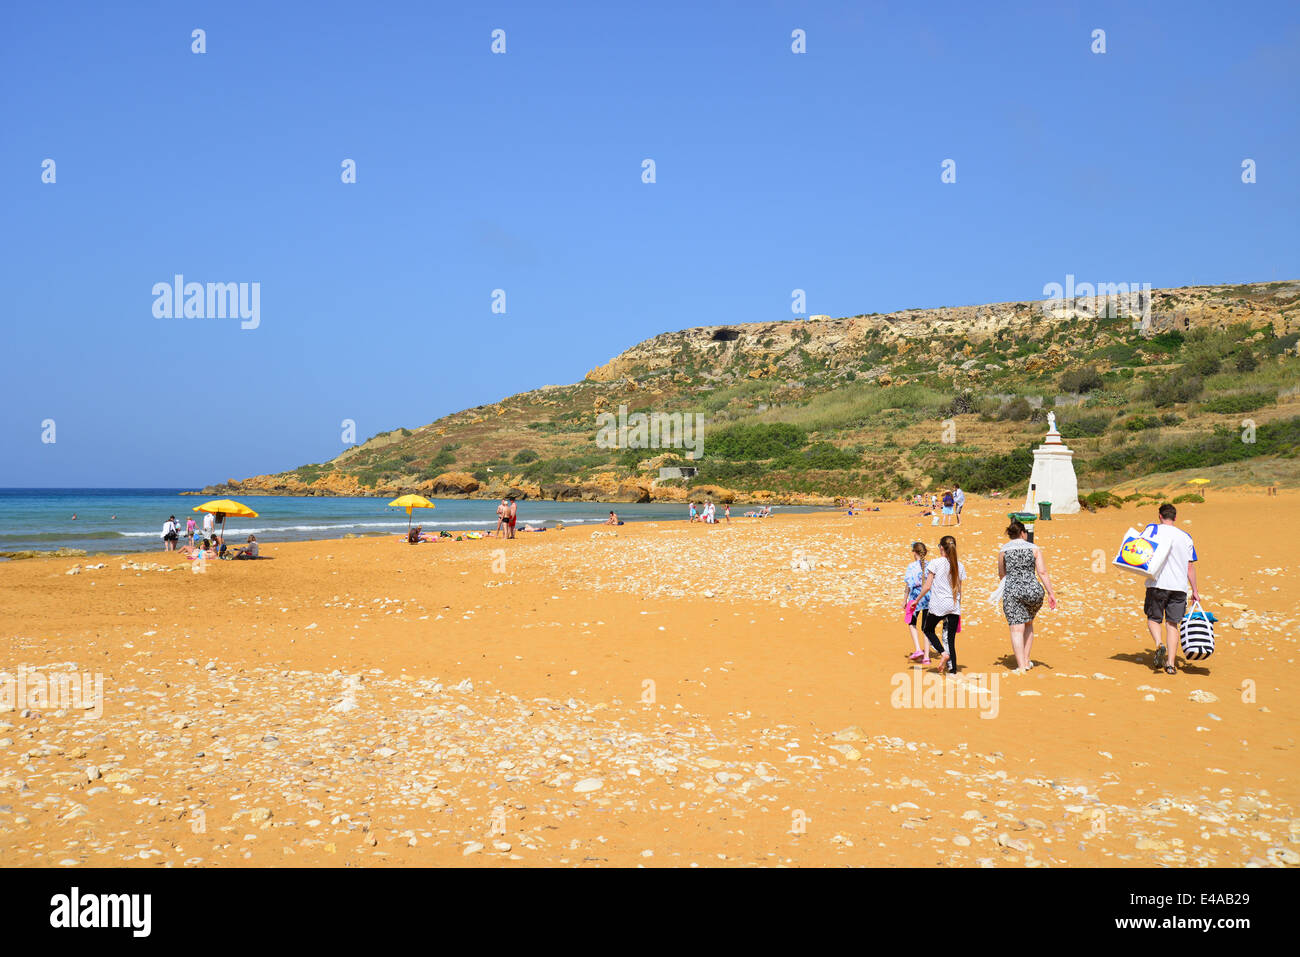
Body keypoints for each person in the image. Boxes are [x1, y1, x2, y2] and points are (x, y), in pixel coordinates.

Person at [1143, 503, 1199, 675]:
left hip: (1157, 583)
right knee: (1172, 624)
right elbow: (1190, 567)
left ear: (1159, 516)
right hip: (1179, 587)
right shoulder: (1186, 537)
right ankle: (1170, 664)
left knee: (1154, 618)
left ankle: (1160, 644)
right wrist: (1195, 590)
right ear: (1175, 518)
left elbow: (1139, 549)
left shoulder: (1152, 530)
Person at [998, 520, 1057, 671]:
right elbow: (1042, 572)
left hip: (1013, 591)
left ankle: (1021, 666)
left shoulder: (1004, 550)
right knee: (1029, 623)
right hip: (1033, 591)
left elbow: (1002, 574)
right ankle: (1026, 659)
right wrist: (1051, 592)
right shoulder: (1034, 548)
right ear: (1023, 533)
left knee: (1016, 629)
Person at [915, 535, 965, 674]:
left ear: (941, 548)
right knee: (950, 639)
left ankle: (943, 653)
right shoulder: (959, 565)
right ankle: (953, 669)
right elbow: (960, 590)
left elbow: (927, 586)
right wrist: (959, 608)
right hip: (953, 606)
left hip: (938, 605)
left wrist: (917, 600)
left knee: (928, 629)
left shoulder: (936, 563)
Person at [902, 541, 932, 663]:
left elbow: (908, 585)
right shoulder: (930, 565)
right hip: (928, 598)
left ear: (915, 553)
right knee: (926, 627)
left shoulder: (911, 566)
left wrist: (904, 600)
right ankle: (927, 657)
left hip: (915, 598)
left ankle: (918, 649)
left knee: (911, 622)